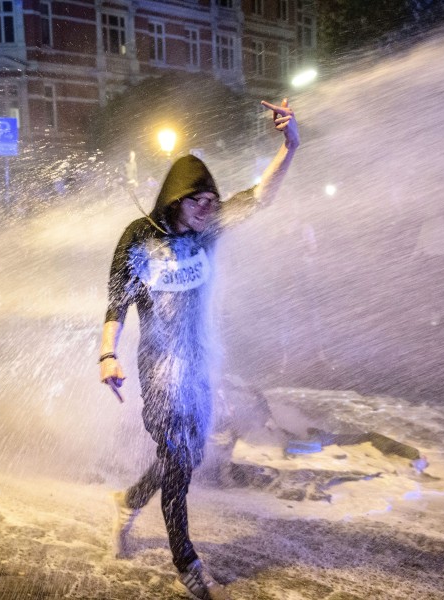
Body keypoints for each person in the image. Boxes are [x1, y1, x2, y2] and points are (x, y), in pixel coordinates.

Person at [99, 99, 299, 600]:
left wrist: (290, 144)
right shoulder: (138, 238)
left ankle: (127, 501)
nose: (209, 210)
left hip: (199, 362)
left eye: (213, 201)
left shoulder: (208, 233)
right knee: (179, 462)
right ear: (175, 199)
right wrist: (108, 354)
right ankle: (186, 562)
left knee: (183, 459)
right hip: (159, 368)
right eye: (199, 201)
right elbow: (116, 302)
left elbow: (259, 195)